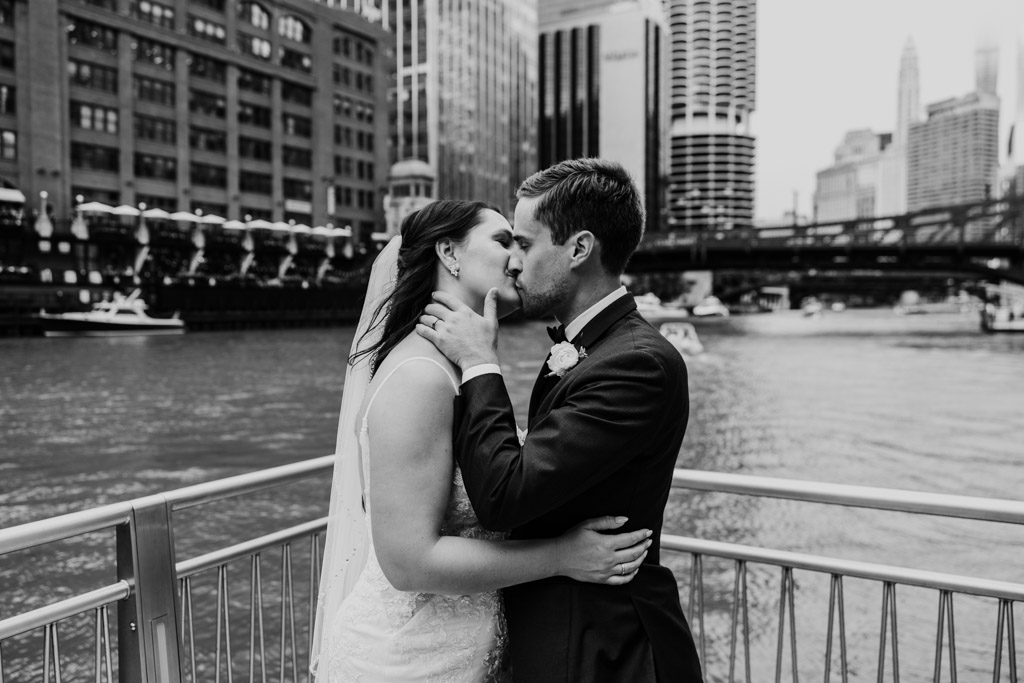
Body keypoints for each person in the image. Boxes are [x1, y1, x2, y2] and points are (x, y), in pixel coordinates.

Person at [309, 200, 655, 682]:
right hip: (411, 660)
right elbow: (408, 562)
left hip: (473, 653)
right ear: (449, 254)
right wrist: (561, 556)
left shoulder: (464, 366)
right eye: (502, 240)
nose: (519, 258)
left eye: (521, 241)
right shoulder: (420, 376)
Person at [417, 159, 704, 682]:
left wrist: (481, 362)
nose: (512, 264)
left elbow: (505, 497)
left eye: (524, 244)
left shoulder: (636, 363)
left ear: (578, 249)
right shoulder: (588, 348)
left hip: (607, 649)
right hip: (557, 635)